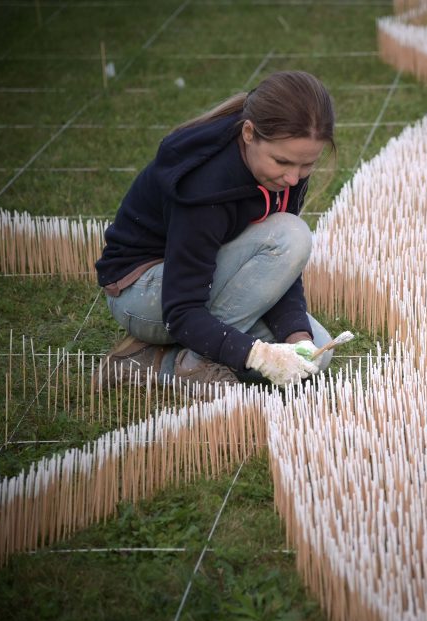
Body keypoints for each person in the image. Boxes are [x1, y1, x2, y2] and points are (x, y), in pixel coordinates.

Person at [94, 70, 336, 389]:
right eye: (283, 162)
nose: (294, 178)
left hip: (207, 281)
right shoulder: (204, 185)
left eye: (306, 165)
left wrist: (297, 336)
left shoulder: (283, 166)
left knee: (314, 355)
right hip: (144, 294)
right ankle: (183, 365)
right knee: (291, 235)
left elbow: (277, 271)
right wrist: (254, 355)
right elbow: (181, 310)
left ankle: (166, 357)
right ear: (249, 133)